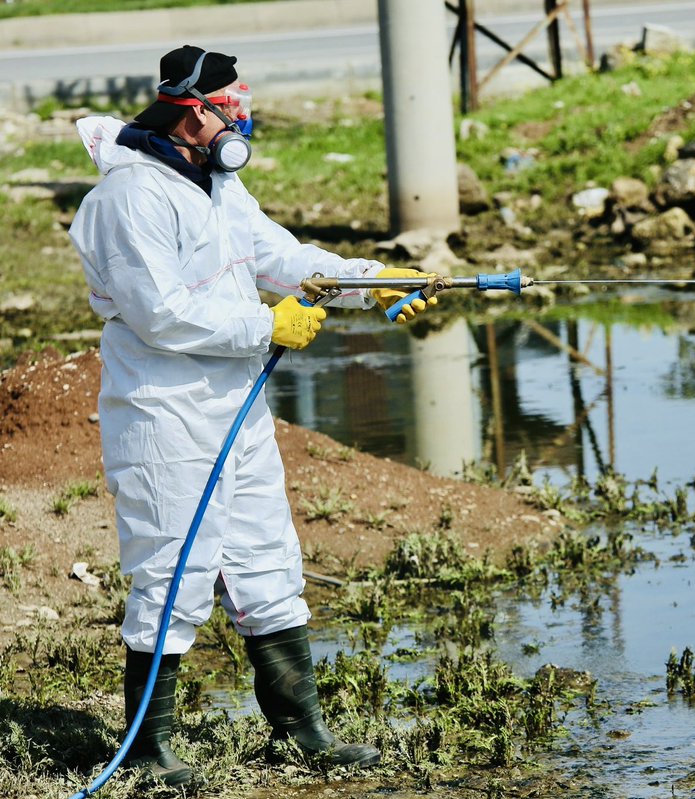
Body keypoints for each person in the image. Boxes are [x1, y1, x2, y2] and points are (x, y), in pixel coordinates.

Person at [68, 45, 431, 787]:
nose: (246, 114)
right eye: (234, 103)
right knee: (174, 569)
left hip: (236, 406)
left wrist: (376, 279)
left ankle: (304, 733)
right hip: (164, 411)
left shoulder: (218, 184)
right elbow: (161, 313)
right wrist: (268, 328)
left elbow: (286, 260)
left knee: (267, 560)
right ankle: (145, 750)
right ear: (192, 112)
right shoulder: (129, 197)